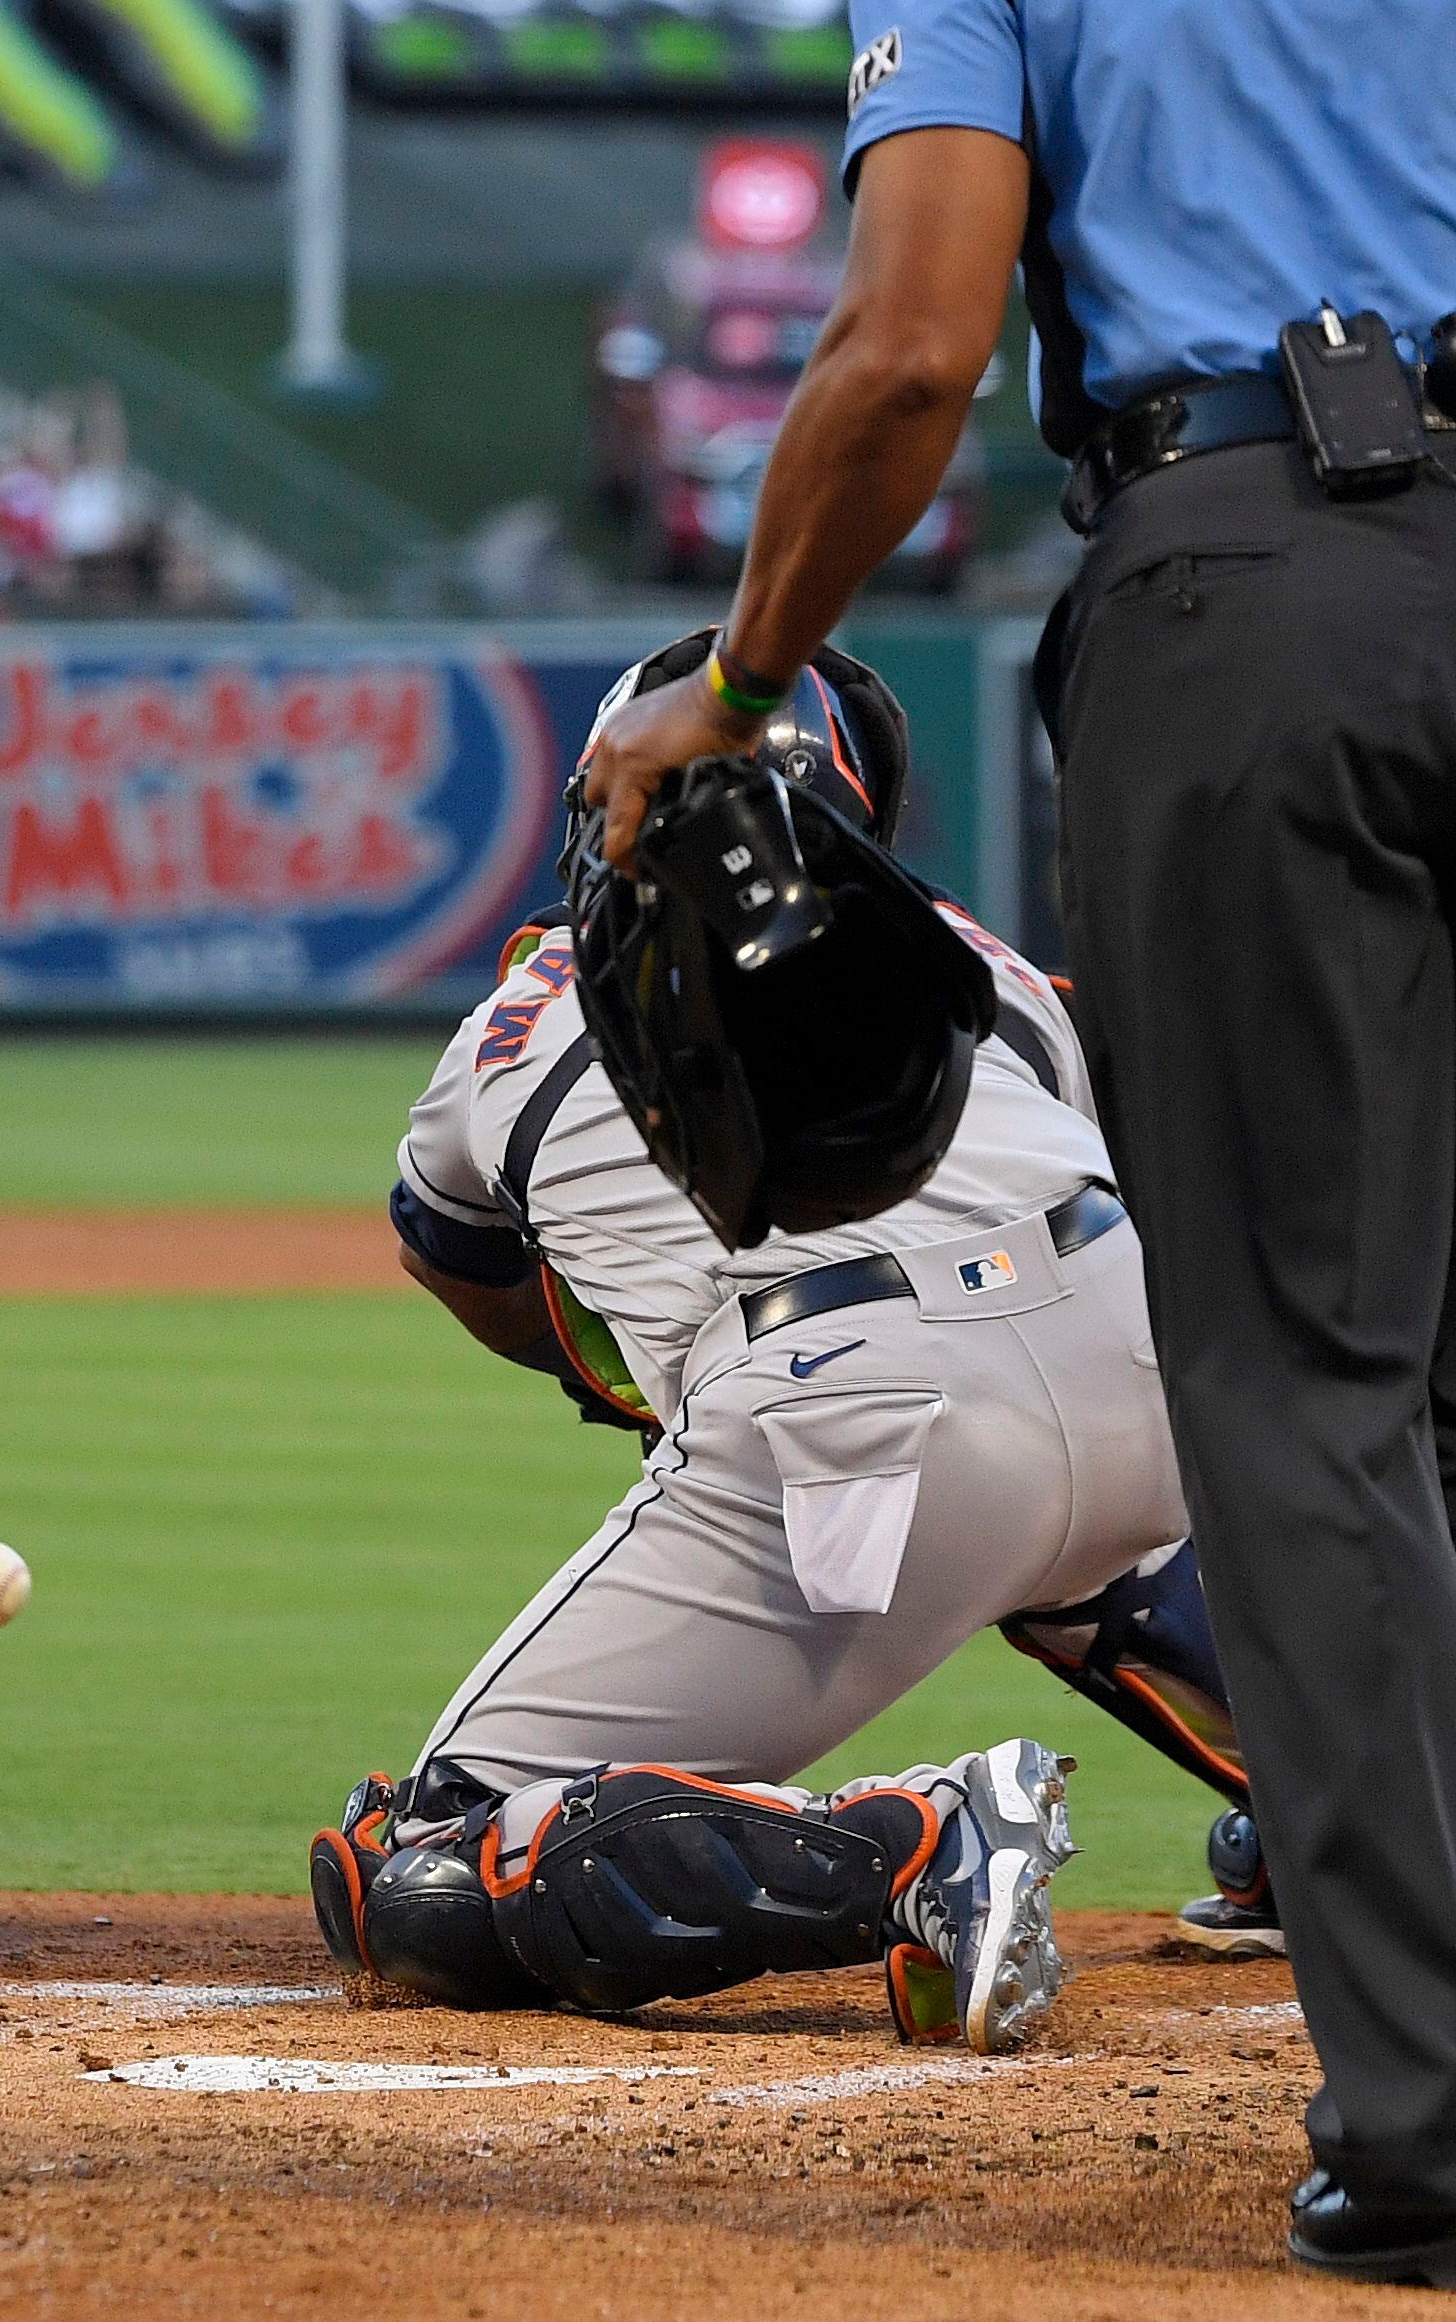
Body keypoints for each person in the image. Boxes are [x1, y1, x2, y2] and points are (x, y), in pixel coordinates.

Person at [570, 3, 1456, 2277]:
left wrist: (744, 679)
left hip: (1262, 591)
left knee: (1296, 1379)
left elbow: (905, 348)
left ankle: (1430, 2120)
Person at [316, 637, 1251, 2053]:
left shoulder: (519, 1014)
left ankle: (906, 1848)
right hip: (1145, 1356)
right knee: (1076, 1525)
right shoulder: (974, 964)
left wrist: (639, 1377)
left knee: (422, 1867)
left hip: (855, 1422)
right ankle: (1357, 1807)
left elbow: (460, 1261)